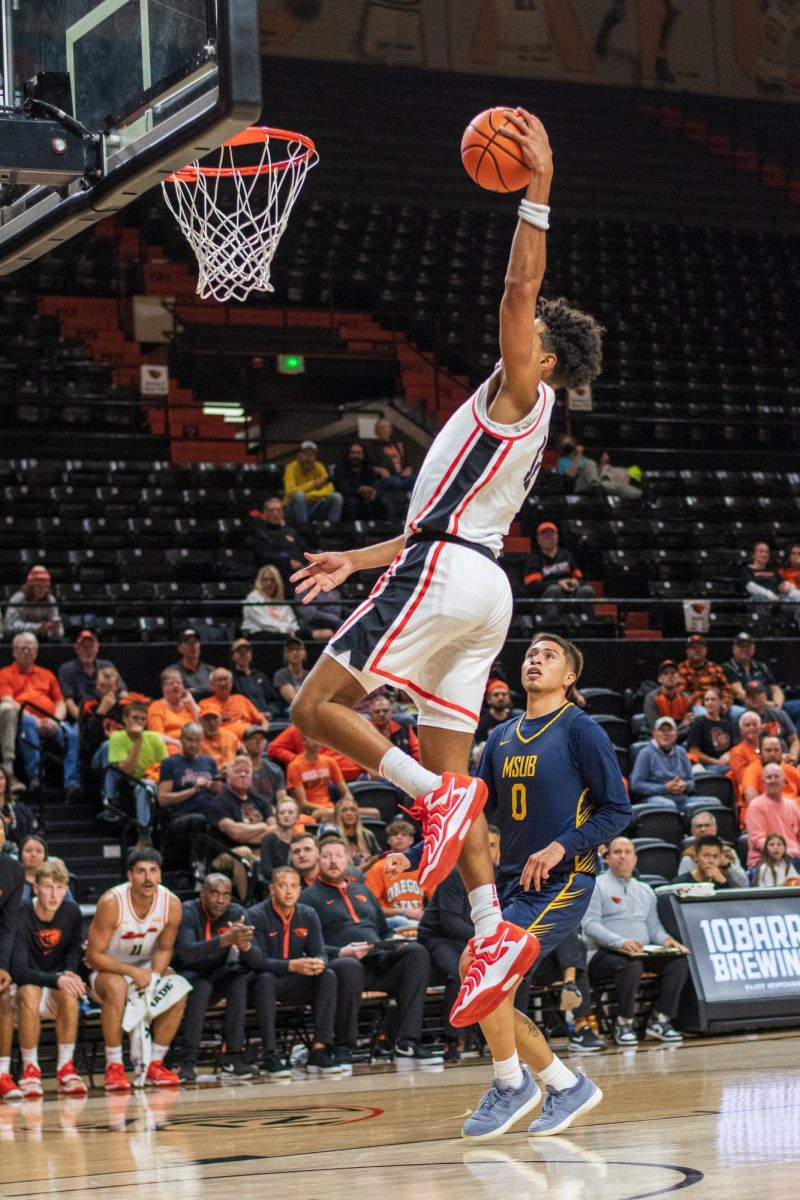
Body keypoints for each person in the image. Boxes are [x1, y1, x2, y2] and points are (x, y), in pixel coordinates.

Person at [289, 109, 604, 1057]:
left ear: (545, 358)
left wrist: (536, 189)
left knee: (316, 707)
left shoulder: (522, 385)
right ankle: (489, 923)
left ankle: (431, 796)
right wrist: (360, 559)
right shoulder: (519, 419)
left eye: (532, 334)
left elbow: (520, 283)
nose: (520, 330)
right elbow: (442, 523)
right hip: (473, 582)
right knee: (450, 764)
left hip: (451, 575)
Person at [303, 838, 439, 1065]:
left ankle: (408, 1041)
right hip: (342, 964)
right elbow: (309, 947)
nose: (333, 861)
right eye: (326, 856)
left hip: (378, 959)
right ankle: (343, 1046)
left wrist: (392, 941)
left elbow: (384, 930)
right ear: (318, 861)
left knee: (416, 952)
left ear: (348, 859)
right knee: (350, 966)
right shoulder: (309, 898)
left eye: (338, 855)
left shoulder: (362, 890)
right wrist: (341, 953)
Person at [84, 847, 185, 1090]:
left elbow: (164, 948)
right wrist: (132, 973)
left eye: (153, 871)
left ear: (160, 875)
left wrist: (154, 976)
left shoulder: (171, 903)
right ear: (130, 876)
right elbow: (93, 955)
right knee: (117, 987)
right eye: (141, 871)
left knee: (178, 987)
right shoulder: (112, 902)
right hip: (107, 969)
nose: (148, 878)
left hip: (145, 967)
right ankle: (114, 1066)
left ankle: (155, 1064)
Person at [584, 837, 690, 1048]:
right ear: (607, 858)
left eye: (627, 852)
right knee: (631, 964)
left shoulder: (646, 890)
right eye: (617, 852)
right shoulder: (596, 885)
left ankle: (661, 1019)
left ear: (635, 859)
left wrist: (668, 940)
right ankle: (623, 1022)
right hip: (602, 954)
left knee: (678, 962)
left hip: (640, 952)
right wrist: (620, 942)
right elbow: (589, 925)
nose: (622, 856)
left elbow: (654, 928)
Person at [417, 825, 502, 1063]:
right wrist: (487, 938)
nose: (486, 850)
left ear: (498, 851)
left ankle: (499, 1036)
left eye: (492, 845)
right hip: (438, 935)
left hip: (474, 937)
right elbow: (449, 921)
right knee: (461, 973)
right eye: (482, 845)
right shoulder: (456, 873)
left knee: (507, 970)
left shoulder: (502, 878)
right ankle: (452, 1039)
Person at [247, 865, 340, 1076]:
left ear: (300, 890)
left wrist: (319, 962)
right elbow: (258, 961)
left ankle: (319, 1050)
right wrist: (293, 965)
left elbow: (320, 951)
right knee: (265, 979)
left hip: (295, 981)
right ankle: (270, 1054)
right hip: (263, 984)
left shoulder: (308, 914)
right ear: (272, 889)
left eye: (293, 886)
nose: (288, 891)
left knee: (328, 975)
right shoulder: (256, 914)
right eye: (282, 886)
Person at [9, 857, 87, 1097]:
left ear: (66, 889)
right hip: (20, 990)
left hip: (54, 985)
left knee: (69, 990)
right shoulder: (20, 913)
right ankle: (30, 1069)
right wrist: (58, 979)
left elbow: (74, 949)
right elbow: (20, 972)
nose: (54, 894)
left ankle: (65, 1068)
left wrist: (70, 973)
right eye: (48, 887)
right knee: (30, 990)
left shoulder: (72, 911)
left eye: (60, 888)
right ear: (35, 888)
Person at [173, 874, 261, 1081]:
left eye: (226, 895)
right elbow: (186, 954)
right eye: (214, 893)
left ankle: (234, 1057)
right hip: (187, 974)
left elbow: (257, 962)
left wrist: (245, 945)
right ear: (202, 893)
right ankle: (188, 1060)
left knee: (238, 979)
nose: (220, 900)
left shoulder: (237, 913)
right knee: (201, 987)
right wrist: (224, 940)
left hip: (218, 973)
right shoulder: (187, 911)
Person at [0, 631, 81, 798]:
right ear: (14, 652)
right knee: (28, 722)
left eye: (30, 649)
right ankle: (35, 776)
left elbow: (60, 702)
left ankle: (72, 783)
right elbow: (7, 700)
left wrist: (55, 720)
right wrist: (35, 720)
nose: (26, 652)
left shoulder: (47, 674)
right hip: (24, 719)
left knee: (71, 734)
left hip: (49, 720)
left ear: (36, 653)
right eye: (22, 648)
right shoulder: (5, 674)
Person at [105, 701, 167, 835]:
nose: (139, 723)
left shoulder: (156, 738)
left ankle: (144, 835)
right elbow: (126, 771)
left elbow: (166, 769)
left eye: (143, 719)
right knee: (140, 785)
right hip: (128, 782)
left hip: (153, 782)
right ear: (125, 719)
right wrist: (138, 741)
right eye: (135, 718)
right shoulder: (117, 737)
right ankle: (110, 803)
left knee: (145, 786)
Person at [521, 521, 596, 620]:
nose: (549, 538)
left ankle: (590, 625)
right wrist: (558, 583)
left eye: (552, 534)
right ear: (538, 539)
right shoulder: (534, 559)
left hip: (570, 595)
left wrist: (576, 582)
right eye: (545, 535)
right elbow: (532, 585)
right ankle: (554, 626)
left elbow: (580, 577)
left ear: (557, 537)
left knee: (587, 590)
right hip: (545, 598)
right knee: (554, 590)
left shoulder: (566, 555)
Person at [365, 818, 431, 929]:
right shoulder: (379, 868)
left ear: (411, 840)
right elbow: (370, 907)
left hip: (419, 920)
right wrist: (403, 912)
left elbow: (436, 899)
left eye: (404, 834)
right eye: (394, 834)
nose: (399, 837)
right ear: (388, 840)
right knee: (402, 921)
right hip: (392, 921)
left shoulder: (423, 867)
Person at [0, 818, 24, 1100]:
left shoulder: (13, 870)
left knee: (2, 995)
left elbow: (7, 926)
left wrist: (3, 965)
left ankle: (3, 1074)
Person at [58, 630, 127, 721]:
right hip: (82, 715)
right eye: (83, 647)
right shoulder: (66, 669)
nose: (88, 651)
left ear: (97, 648)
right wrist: (85, 721)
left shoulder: (107, 665)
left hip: (111, 714)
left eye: (91, 646)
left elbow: (123, 692)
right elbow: (69, 701)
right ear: (76, 649)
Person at [629, 716, 695, 809]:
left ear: (676, 734)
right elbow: (636, 785)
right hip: (654, 798)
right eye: (662, 730)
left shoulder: (681, 752)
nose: (666, 734)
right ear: (654, 734)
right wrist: (664, 788)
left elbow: (691, 781)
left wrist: (685, 785)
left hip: (681, 798)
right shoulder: (645, 753)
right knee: (669, 805)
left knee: (712, 802)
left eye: (669, 730)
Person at [156, 722, 219, 821]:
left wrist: (217, 788)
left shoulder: (209, 762)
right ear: (181, 740)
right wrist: (193, 790)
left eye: (197, 740)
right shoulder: (170, 763)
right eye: (189, 740)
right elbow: (163, 800)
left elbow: (218, 791)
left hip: (210, 811)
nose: (193, 744)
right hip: (183, 814)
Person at [286, 735, 356, 822]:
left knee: (373, 812)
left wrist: (348, 805)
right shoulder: (295, 766)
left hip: (330, 807)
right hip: (309, 811)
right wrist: (330, 809)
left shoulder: (329, 762)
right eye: (312, 740)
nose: (316, 743)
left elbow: (346, 792)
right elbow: (302, 803)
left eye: (318, 739)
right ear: (304, 742)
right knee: (329, 814)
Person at [744, 763, 800, 868]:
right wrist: (783, 851)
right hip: (765, 860)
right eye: (769, 777)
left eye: (777, 777)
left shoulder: (792, 805)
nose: (773, 780)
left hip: (795, 855)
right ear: (763, 782)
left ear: (784, 781)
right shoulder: (756, 806)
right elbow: (757, 840)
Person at [676, 812, 749, 887]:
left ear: (715, 828)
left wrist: (728, 865)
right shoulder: (688, 857)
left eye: (707, 825)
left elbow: (745, 885)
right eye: (699, 826)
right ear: (692, 831)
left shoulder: (729, 853)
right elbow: (682, 887)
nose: (703, 829)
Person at [249, 496, 307, 588]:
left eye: (278, 510)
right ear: (265, 512)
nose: (275, 513)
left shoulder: (291, 531)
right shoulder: (260, 533)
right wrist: (289, 561)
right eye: (271, 510)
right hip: (275, 571)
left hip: (298, 569)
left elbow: (302, 549)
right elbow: (263, 555)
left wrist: (301, 562)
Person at [283, 440, 344, 525]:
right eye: (305, 454)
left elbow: (330, 489)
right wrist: (313, 484)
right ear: (298, 455)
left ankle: (332, 531)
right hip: (292, 509)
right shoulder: (290, 468)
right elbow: (290, 492)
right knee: (299, 497)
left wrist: (308, 496)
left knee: (337, 497)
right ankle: (304, 531)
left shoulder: (319, 466)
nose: (308, 458)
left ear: (315, 457)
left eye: (311, 455)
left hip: (313, 505)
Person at [199, 668, 270, 740]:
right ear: (211, 686)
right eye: (219, 680)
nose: (223, 683)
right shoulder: (205, 704)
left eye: (226, 679)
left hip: (250, 741)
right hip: (224, 744)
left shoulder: (241, 699)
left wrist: (261, 735)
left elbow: (263, 721)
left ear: (231, 683)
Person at [722, 632, 785, 710]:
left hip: (771, 704)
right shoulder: (728, 667)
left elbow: (775, 688)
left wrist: (777, 705)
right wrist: (765, 704)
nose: (745, 649)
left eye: (748, 646)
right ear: (734, 649)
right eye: (741, 646)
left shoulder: (761, 666)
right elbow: (739, 693)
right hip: (746, 705)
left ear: (753, 648)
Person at [741, 732, 800, 810]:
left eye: (776, 750)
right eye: (768, 750)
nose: (772, 754)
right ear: (760, 753)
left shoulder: (789, 769)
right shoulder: (751, 770)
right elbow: (751, 796)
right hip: (765, 815)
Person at [3, 565, 63, 641]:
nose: (43, 590)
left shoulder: (50, 600)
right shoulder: (18, 598)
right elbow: (10, 627)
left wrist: (55, 630)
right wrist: (38, 628)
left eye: (46, 586)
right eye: (38, 586)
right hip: (21, 640)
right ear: (31, 586)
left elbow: (59, 630)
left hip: (44, 640)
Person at [741, 683, 799, 761]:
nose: (754, 697)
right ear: (746, 698)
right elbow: (742, 748)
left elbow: (794, 740)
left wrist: (793, 756)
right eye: (750, 694)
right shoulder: (741, 720)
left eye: (758, 693)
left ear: (765, 696)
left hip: (785, 758)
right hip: (757, 761)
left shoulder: (779, 714)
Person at [241, 565, 301, 640]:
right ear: (260, 581)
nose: (269, 583)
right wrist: (286, 630)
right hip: (259, 635)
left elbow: (293, 623)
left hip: (282, 635)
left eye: (272, 580)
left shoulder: (281, 602)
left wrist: (292, 630)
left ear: (277, 582)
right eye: (265, 579)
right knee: (288, 638)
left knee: (303, 636)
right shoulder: (253, 598)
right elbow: (265, 623)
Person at [147, 668, 200, 751]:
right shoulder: (156, 707)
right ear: (163, 688)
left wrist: (192, 703)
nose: (176, 685)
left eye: (179, 683)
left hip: (195, 743)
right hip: (172, 746)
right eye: (171, 683)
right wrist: (179, 743)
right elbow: (157, 735)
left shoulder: (188, 704)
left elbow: (204, 727)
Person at [685, 686, 735, 775]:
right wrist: (715, 761)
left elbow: (734, 747)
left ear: (720, 702)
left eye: (713, 699)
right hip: (708, 766)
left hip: (727, 763)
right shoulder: (699, 722)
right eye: (707, 700)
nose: (710, 703)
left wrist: (728, 754)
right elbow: (693, 751)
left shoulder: (727, 723)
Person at [334, 441, 388, 521]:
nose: (356, 455)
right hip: (348, 498)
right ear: (348, 454)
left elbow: (375, 484)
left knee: (383, 500)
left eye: (359, 453)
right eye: (353, 453)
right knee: (352, 503)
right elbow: (343, 489)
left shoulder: (368, 468)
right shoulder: (340, 468)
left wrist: (373, 491)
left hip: (366, 497)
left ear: (363, 455)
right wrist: (359, 491)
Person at [677, 635, 734, 711]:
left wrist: (724, 703)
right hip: (696, 707)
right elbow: (681, 694)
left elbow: (726, 689)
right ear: (687, 651)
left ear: (706, 650)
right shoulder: (681, 669)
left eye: (700, 647)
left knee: (742, 714)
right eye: (693, 648)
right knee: (703, 713)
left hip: (719, 705)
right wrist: (707, 704)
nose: (697, 650)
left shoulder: (715, 668)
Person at [230, 637, 283, 717]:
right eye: (240, 652)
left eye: (247, 652)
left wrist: (270, 712)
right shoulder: (230, 678)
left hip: (268, 719)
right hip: (245, 720)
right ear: (233, 656)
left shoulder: (261, 676)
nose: (244, 655)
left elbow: (275, 701)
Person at [241, 725, 289, 811]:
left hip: (272, 812)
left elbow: (282, 799)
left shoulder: (275, 770)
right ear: (244, 743)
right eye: (253, 738)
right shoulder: (237, 771)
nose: (258, 742)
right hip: (246, 813)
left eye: (261, 739)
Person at [740, 540, 800, 607]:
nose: (764, 554)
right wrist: (769, 594)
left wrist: (789, 587)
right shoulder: (746, 569)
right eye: (760, 552)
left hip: (777, 600)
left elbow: (784, 583)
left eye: (766, 552)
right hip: (759, 600)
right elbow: (751, 587)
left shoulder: (772, 570)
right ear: (753, 555)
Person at [642, 659, 693, 734]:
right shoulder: (651, 698)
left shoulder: (686, 699)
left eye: (673, 673)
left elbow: (689, 728)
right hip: (652, 739)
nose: (670, 676)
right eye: (666, 673)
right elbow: (656, 729)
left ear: (678, 677)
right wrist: (682, 725)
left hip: (679, 739)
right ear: (659, 679)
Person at [260, 796, 302, 882]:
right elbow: (266, 871)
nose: (286, 815)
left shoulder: (300, 840)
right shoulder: (268, 839)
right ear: (277, 817)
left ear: (297, 817)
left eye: (290, 812)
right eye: (282, 813)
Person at [672, 835, 738, 890]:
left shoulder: (724, 881)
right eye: (706, 856)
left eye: (715, 856)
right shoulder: (680, 884)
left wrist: (723, 882)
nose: (711, 861)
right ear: (696, 857)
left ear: (721, 859)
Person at [335, 795, 381, 870]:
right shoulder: (334, 837)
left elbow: (378, 858)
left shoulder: (368, 835)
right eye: (344, 810)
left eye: (352, 810)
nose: (349, 813)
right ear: (338, 815)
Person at [167, 630, 213, 699]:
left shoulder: (210, 670)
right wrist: (206, 690)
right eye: (188, 643)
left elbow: (217, 691)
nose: (193, 646)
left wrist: (193, 691)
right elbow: (177, 694)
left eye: (196, 642)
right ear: (180, 648)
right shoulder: (172, 672)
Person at [475, 678, 522, 745]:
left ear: (509, 698)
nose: (500, 697)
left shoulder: (516, 720)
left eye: (504, 694)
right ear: (488, 699)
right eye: (496, 694)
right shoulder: (481, 722)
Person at [273, 637, 309, 708]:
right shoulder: (281, 675)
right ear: (285, 654)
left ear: (305, 653)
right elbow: (294, 701)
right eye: (290, 650)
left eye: (298, 649)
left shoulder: (310, 675)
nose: (294, 652)